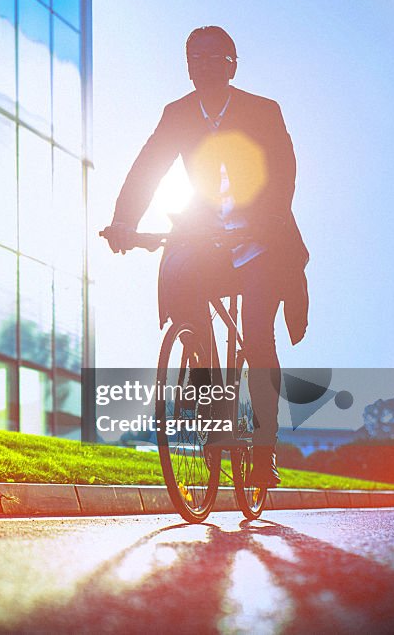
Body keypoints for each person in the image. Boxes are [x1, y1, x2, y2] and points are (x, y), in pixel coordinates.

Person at [101, 26, 309, 487]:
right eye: (193, 57)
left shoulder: (262, 110)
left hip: (262, 240)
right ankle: (213, 408)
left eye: (213, 58)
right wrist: (123, 221)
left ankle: (264, 448)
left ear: (232, 65)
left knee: (257, 334)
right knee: (183, 289)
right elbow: (148, 167)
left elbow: (284, 173)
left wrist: (267, 220)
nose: (202, 65)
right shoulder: (176, 114)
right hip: (205, 235)